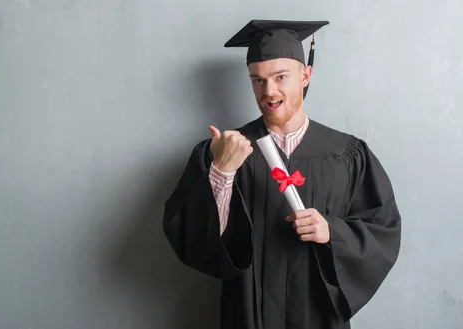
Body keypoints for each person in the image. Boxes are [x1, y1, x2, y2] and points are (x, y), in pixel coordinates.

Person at [162, 19, 402, 329]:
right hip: (248, 313)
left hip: (316, 314)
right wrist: (221, 172)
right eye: (258, 80)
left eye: (280, 77)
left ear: (305, 76)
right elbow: (190, 236)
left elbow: (383, 231)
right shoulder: (224, 150)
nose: (269, 91)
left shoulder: (348, 154)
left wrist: (333, 232)